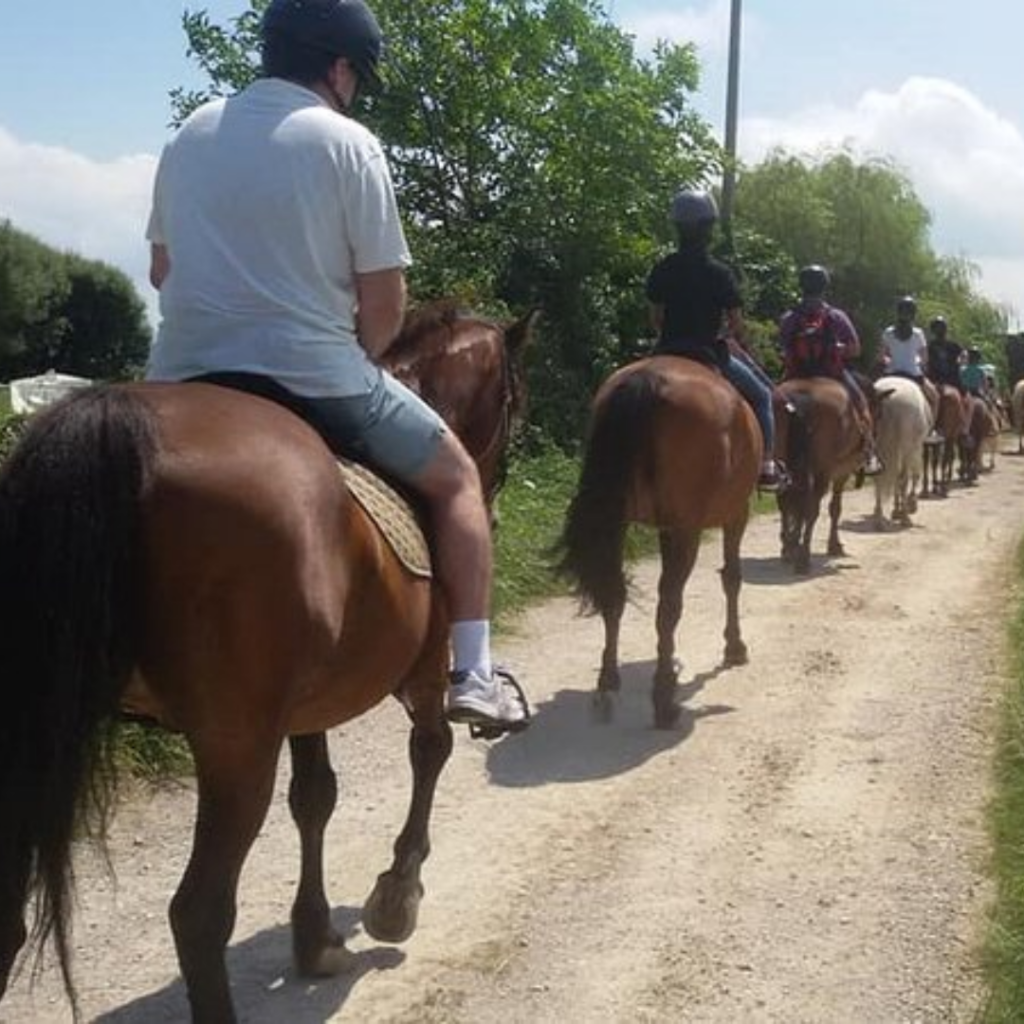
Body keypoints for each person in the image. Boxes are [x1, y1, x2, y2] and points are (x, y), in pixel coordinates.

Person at [144, 0, 527, 734]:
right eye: (359, 76)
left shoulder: (190, 133)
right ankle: (474, 670)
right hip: (316, 377)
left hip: (179, 375)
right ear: (340, 66)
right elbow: (385, 302)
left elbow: (162, 270)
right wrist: (357, 350)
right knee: (456, 479)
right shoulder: (348, 144)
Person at [645, 189, 783, 490]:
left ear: (677, 227)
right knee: (762, 396)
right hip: (709, 353)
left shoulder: (663, 268)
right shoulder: (720, 273)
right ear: (709, 228)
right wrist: (735, 336)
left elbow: (655, 318)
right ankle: (767, 465)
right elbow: (735, 322)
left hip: (667, 349)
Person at [778, 264, 882, 475]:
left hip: (796, 373)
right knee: (861, 404)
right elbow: (855, 349)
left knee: (772, 402)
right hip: (833, 373)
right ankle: (870, 451)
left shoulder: (789, 317)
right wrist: (837, 351)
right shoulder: (836, 316)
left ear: (801, 286)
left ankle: (769, 456)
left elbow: (783, 350)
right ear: (825, 287)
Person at [880, 295, 941, 442]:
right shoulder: (918, 333)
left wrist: (889, 360)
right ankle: (930, 431)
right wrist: (919, 362)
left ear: (898, 312)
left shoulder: (888, 332)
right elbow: (924, 358)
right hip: (913, 375)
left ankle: (872, 433)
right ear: (913, 314)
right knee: (935, 398)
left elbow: (882, 356)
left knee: (872, 398)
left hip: (891, 374)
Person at [926, 315, 964, 392]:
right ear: (933, 330)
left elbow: (963, 354)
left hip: (952, 378)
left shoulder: (953, 345)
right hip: (934, 378)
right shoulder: (930, 346)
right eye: (937, 328)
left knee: (965, 396)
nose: (939, 330)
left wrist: (960, 361)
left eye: (941, 327)